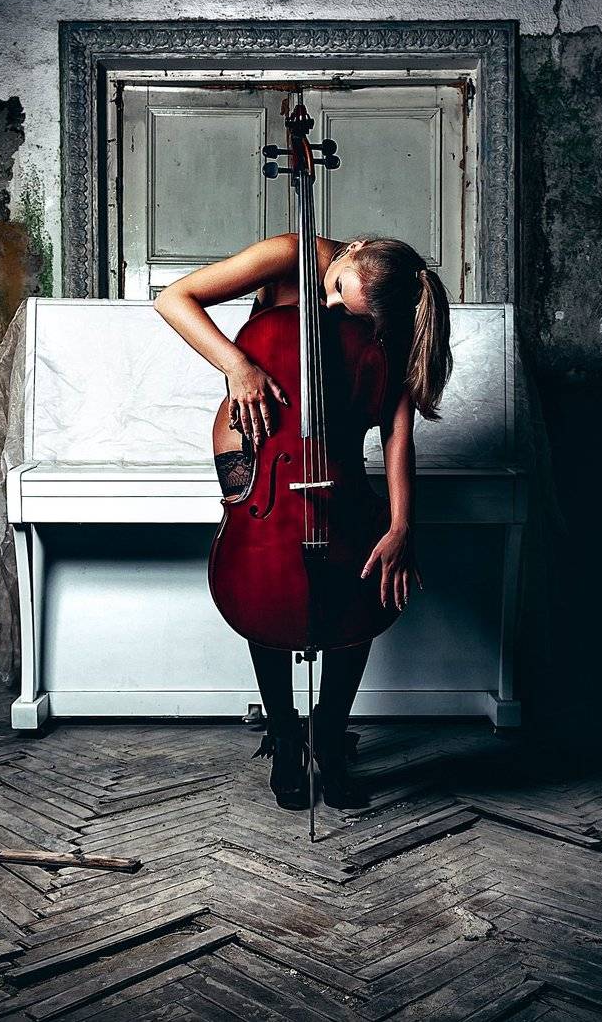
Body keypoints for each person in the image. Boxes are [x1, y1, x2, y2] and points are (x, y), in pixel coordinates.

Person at [154, 233, 453, 811]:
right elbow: (174, 299)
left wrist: (400, 526)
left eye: (347, 310)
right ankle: (286, 731)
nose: (331, 309)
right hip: (259, 441)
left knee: (357, 580)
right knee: (268, 575)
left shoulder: (386, 302)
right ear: (353, 248)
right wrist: (238, 366)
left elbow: (395, 429)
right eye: (337, 291)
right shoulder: (290, 253)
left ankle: (329, 732)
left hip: (332, 456)